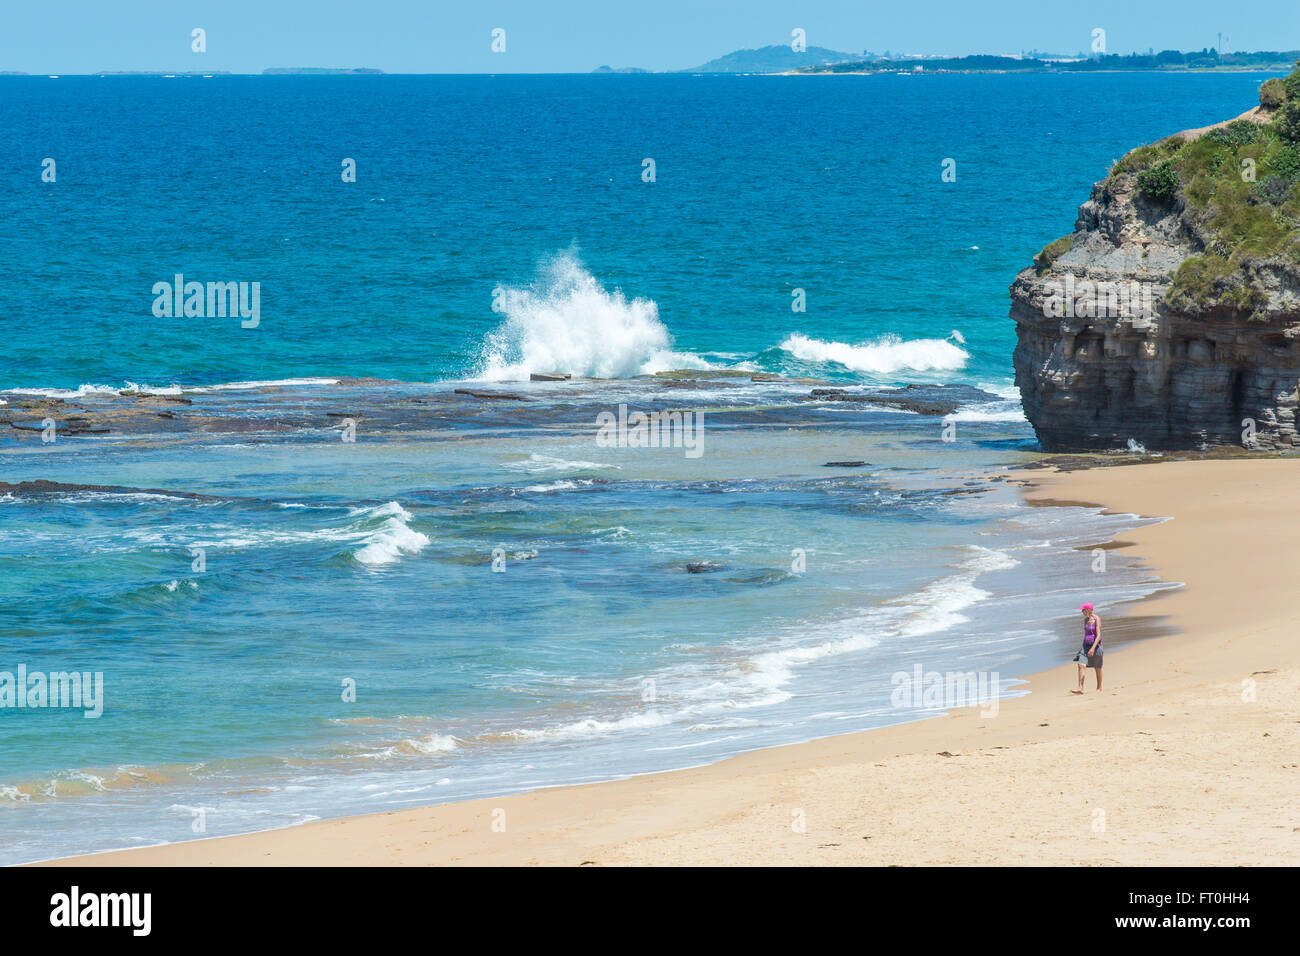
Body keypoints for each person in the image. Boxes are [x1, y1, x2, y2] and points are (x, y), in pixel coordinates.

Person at [1070, 603, 1102, 693]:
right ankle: (1080, 688)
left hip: (1096, 645)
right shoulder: (1085, 620)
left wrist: (1092, 648)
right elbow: (1085, 635)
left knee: (1097, 667)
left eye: (1083, 610)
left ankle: (1099, 688)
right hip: (1085, 645)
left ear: (1088, 609)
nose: (1082, 611)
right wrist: (1082, 648)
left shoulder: (1097, 619)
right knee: (1080, 665)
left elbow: (1098, 635)